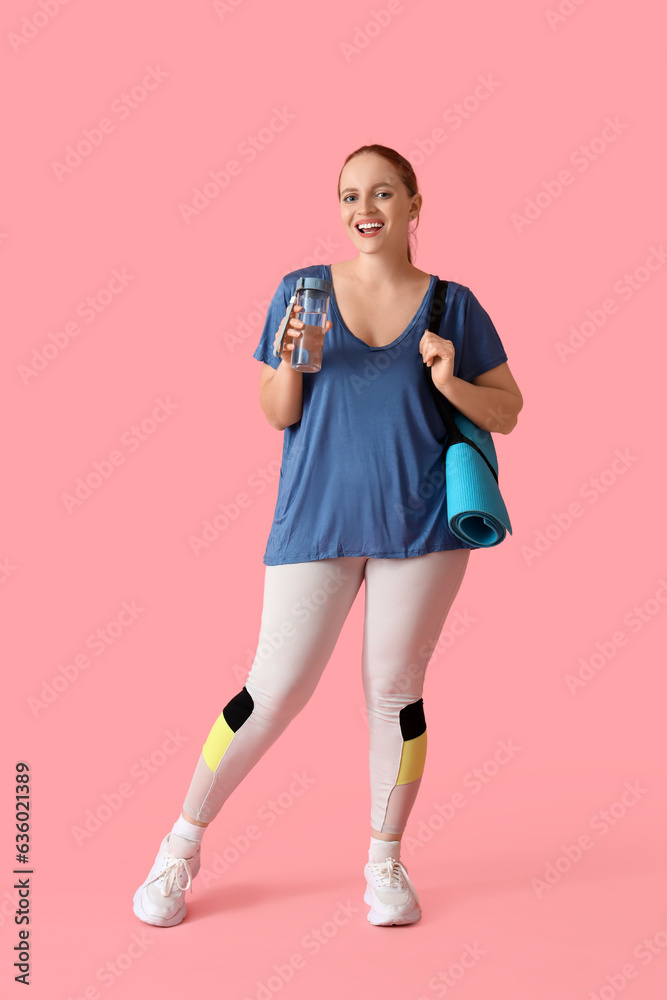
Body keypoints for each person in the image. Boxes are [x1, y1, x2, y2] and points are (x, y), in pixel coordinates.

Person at [133, 143, 523, 928]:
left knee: (394, 692)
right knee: (271, 690)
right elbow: (280, 413)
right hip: (315, 517)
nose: (363, 208)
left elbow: (507, 410)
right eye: (349, 196)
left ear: (415, 204)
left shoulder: (452, 305)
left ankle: (385, 863)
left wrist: (449, 380)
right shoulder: (301, 291)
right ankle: (178, 848)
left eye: (382, 192)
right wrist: (287, 365)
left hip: (422, 527)